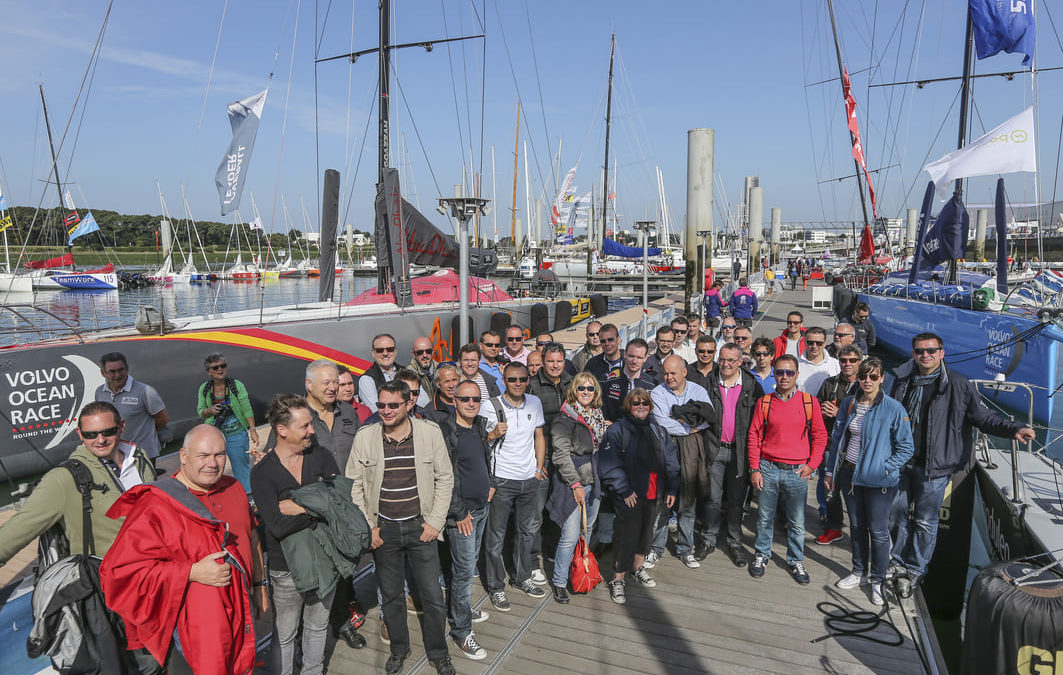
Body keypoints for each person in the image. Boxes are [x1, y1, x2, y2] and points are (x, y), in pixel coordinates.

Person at [0, 402, 159, 673]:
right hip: (108, 597)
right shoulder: (65, 479)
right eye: (90, 434)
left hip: (154, 586)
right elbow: (16, 531)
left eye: (108, 431)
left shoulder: (139, 458)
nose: (100, 439)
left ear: (121, 427)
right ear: (79, 434)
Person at [100, 425, 267, 675]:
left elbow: (252, 536)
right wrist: (191, 572)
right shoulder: (156, 505)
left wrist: (259, 586)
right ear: (183, 456)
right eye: (203, 456)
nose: (212, 463)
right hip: (190, 636)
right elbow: (119, 572)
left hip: (239, 616)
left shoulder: (233, 488)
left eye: (219, 455)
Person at [888, 333, 1034, 598]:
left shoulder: (958, 384)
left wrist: (1015, 428)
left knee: (924, 522)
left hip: (935, 467)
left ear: (942, 353)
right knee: (895, 515)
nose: (925, 355)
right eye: (920, 351)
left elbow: (984, 417)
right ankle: (896, 561)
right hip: (901, 462)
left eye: (931, 350)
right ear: (913, 354)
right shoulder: (903, 380)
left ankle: (914, 568)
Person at [346, 381, 456, 675]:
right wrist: (369, 527)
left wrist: (434, 522)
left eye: (393, 405)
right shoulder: (366, 437)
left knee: (431, 595)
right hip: (385, 531)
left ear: (408, 404)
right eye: (381, 405)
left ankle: (438, 652)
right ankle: (398, 649)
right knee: (392, 596)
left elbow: (445, 478)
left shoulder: (429, 433)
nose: (385, 411)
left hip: (421, 528)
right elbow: (354, 485)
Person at [252, 395, 345, 674]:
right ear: (282, 430)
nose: (312, 431)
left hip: (326, 560)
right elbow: (277, 526)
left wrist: (299, 505)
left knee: (318, 627)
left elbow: (341, 505)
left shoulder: (321, 456)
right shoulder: (263, 473)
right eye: (304, 426)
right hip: (286, 569)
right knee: (285, 634)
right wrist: (320, 504)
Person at [824, 357, 914, 606]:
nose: (867, 381)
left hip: (879, 481)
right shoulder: (849, 403)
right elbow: (839, 438)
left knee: (879, 531)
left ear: (882, 379)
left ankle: (878, 579)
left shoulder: (894, 408)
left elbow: (906, 447)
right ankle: (859, 571)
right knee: (856, 526)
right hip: (850, 475)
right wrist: (831, 472)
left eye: (873, 376)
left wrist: (886, 467)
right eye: (863, 376)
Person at [747, 355, 828, 585]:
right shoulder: (765, 402)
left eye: (789, 373)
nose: (784, 377)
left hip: (796, 471)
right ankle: (762, 555)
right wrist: (754, 467)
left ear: (796, 375)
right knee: (764, 517)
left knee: (797, 521)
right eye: (780, 372)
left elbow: (820, 436)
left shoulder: (809, 403)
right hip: (768, 467)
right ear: (774, 373)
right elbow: (754, 435)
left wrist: (812, 464)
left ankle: (795, 559)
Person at [599, 389, 679, 604]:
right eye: (636, 403)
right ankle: (618, 579)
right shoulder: (618, 430)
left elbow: (670, 459)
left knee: (646, 533)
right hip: (630, 494)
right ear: (628, 406)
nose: (641, 406)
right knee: (626, 536)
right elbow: (609, 463)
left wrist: (672, 488)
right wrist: (624, 489)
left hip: (653, 492)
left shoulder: (657, 429)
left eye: (644, 402)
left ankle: (637, 567)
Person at [482, 362, 548, 610]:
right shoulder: (491, 406)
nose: (518, 383)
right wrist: (492, 434)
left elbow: (539, 436)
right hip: (502, 480)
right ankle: (496, 586)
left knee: (525, 532)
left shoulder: (534, 402)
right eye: (512, 380)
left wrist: (539, 468)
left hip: (529, 479)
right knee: (496, 536)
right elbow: (481, 441)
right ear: (504, 381)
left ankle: (522, 578)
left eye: (522, 379)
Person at [437, 381, 493, 661]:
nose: (471, 403)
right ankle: (461, 630)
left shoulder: (479, 426)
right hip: (463, 514)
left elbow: (484, 459)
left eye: (475, 399)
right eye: (465, 399)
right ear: (455, 401)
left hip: (481, 507)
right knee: (463, 573)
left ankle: (460, 609)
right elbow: (445, 475)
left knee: (466, 570)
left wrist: (490, 483)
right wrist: (458, 512)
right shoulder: (448, 431)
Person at [697, 343, 763, 566]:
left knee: (736, 501)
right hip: (715, 449)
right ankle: (708, 539)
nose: (725, 364)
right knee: (712, 499)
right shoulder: (709, 382)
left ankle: (734, 543)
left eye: (731, 361)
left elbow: (760, 420)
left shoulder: (752, 385)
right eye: (722, 359)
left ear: (740, 361)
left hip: (740, 452)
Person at [547, 374, 609, 603]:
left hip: (594, 479)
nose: (585, 391)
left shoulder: (597, 416)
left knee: (587, 531)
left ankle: (580, 570)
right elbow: (560, 454)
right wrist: (575, 484)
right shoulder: (565, 418)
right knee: (570, 535)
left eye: (590, 388)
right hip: (572, 481)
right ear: (574, 390)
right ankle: (560, 582)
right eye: (581, 387)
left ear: (596, 392)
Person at [650, 355, 713, 569]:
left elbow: (707, 418)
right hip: (664, 448)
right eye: (665, 373)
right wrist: (688, 427)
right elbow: (661, 421)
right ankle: (656, 549)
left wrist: (681, 421)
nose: (668, 377)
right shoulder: (657, 393)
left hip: (691, 450)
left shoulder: (698, 391)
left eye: (673, 373)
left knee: (688, 501)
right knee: (661, 501)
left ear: (684, 372)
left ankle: (685, 549)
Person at [526, 342, 574, 584]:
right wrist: (537, 461)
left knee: (559, 509)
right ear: (542, 362)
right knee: (536, 513)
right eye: (551, 361)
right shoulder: (532, 387)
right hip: (542, 460)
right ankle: (533, 561)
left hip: (565, 459)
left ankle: (553, 552)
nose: (555, 365)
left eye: (559, 361)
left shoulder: (571, 382)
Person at [814, 344, 862, 546]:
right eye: (843, 360)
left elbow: (871, 417)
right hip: (831, 445)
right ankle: (834, 527)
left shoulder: (867, 384)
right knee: (830, 490)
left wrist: (838, 415)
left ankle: (860, 533)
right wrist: (822, 411)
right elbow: (816, 409)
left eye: (852, 360)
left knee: (855, 493)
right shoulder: (830, 383)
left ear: (860, 361)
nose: (847, 364)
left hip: (856, 448)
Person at [196, 353, 258, 492]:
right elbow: (200, 411)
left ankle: (247, 496)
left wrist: (252, 429)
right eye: (215, 367)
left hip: (236, 434)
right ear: (209, 372)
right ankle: (216, 495)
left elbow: (246, 407)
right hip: (215, 434)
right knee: (211, 467)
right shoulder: (204, 388)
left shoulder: (236, 385)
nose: (220, 369)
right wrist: (211, 410)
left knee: (241, 467)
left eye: (223, 366)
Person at [95, 352, 169, 462]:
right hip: (114, 454)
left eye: (121, 370)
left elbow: (163, 419)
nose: (117, 375)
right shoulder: (100, 392)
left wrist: (146, 433)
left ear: (127, 368)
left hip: (143, 455)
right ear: (103, 373)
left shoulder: (145, 391)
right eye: (112, 371)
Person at [601, 338, 656, 422]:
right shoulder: (607, 380)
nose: (634, 361)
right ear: (625, 354)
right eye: (631, 356)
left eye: (639, 357)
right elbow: (601, 409)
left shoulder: (651, 384)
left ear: (645, 358)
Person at [359, 334, 405, 409]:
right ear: (373, 353)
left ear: (395, 351)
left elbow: (422, 402)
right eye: (380, 350)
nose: (385, 353)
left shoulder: (407, 372)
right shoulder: (367, 379)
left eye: (390, 349)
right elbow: (376, 410)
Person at [797, 327, 840, 395]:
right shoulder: (795, 364)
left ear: (825, 343)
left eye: (819, 343)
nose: (814, 346)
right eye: (810, 342)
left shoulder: (836, 365)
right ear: (805, 342)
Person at [409, 336, 439, 406]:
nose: (425, 355)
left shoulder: (441, 370)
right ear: (413, 354)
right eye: (420, 352)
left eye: (428, 351)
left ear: (433, 352)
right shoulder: (409, 374)